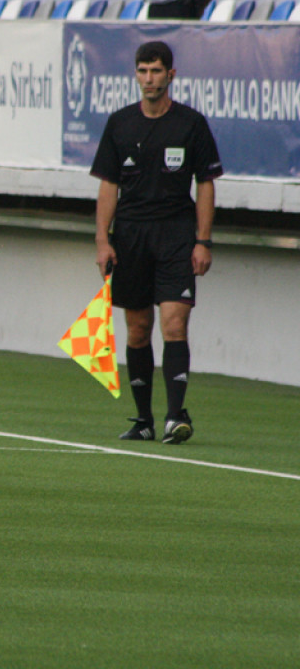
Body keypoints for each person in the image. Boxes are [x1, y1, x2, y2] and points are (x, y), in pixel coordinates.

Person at [92, 41, 222, 444]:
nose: (149, 78)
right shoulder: (120, 123)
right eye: (143, 71)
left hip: (177, 236)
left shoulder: (191, 124)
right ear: (136, 74)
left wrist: (203, 240)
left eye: (156, 71)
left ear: (171, 75)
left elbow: (206, 184)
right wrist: (102, 240)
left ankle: (175, 416)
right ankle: (144, 420)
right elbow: (108, 185)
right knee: (137, 329)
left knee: (174, 323)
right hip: (130, 237)